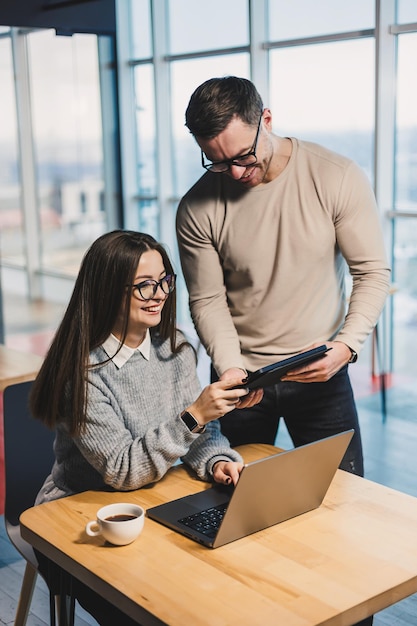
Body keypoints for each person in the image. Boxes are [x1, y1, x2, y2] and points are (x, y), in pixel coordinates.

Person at [30, 229, 261, 625]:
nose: (158, 294)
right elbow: (122, 470)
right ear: (107, 290)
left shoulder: (176, 349)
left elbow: (199, 438)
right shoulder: (83, 372)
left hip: (152, 502)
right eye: (143, 286)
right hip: (79, 517)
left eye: (164, 281)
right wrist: (195, 414)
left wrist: (217, 460)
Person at [176, 75, 391, 481]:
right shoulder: (196, 207)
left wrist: (346, 347)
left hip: (321, 371)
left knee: (345, 499)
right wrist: (229, 368)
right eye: (218, 162)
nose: (236, 172)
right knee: (231, 504)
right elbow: (207, 300)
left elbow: (371, 272)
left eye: (243, 155)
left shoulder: (336, 176)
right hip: (240, 381)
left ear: (267, 120)